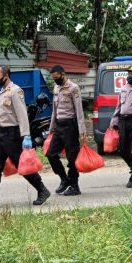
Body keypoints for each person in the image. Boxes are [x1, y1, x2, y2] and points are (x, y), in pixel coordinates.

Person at [0, 66, 51, 208]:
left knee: (22, 165)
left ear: (6, 76)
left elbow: (22, 115)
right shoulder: (2, 92)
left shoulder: (15, 91)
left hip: (13, 135)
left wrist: (26, 136)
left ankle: (42, 190)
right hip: (1, 134)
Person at [46, 65, 86, 196]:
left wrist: (82, 132)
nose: (55, 80)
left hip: (70, 126)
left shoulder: (73, 88)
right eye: (53, 78)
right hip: (59, 125)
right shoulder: (56, 88)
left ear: (63, 74)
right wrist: (51, 128)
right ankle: (64, 179)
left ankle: (75, 186)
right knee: (51, 154)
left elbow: (79, 111)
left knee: (72, 157)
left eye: (57, 78)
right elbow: (54, 110)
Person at [109, 65, 132, 188]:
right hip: (123, 121)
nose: (130, 76)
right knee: (123, 149)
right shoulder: (123, 89)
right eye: (129, 74)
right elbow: (119, 106)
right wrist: (114, 120)